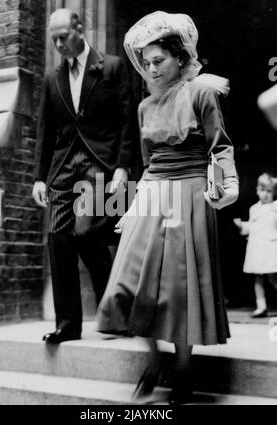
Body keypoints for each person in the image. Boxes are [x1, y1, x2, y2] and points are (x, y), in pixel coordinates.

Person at [96, 11, 239, 404]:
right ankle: (154, 359)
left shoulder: (202, 92)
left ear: (179, 57)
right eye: (146, 62)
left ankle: (182, 372)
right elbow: (149, 164)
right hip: (155, 193)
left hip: (191, 191)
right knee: (125, 282)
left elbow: (220, 146)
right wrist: (134, 205)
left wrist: (227, 182)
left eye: (158, 60)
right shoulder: (145, 108)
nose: (151, 69)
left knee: (180, 288)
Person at [32, 8, 135, 344]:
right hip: (62, 168)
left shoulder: (112, 66)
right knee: (59, 237)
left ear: (80, 28)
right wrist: (38, 178)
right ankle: (68, 324)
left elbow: (127, 122)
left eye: (63, 37)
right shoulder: (52, 77)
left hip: (99, 165)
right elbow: (45, 131)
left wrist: (122, 166)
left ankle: (115, 313)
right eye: (54, 39)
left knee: (86, 233)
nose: (58, 44)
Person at [234, 173, 277, 318]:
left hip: (270, 247)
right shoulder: (254, 209)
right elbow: (252, 227)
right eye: (262, 190)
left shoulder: (275, 208)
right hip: (257, 248)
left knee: (273, 277)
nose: (265, 194)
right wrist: (242, 226)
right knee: (257, 278)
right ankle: (261, 306)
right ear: (257, 190)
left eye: (269, 191)